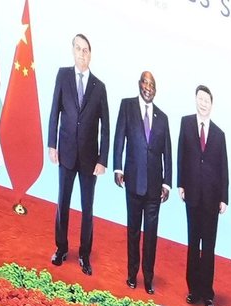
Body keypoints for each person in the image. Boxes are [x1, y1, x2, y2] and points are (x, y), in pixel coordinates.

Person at [46, 33, 109, 275]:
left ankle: (84, 254)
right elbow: (55, 111)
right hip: (66, 152)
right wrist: (52, 144)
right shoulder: (63, 75)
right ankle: (61, 248)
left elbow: (106, 127)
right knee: (62, 202)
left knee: (87, 208)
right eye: (78, 49)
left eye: (86, 50)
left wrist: (103, 159)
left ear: (90, 55)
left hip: (89, 160)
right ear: (73, 51)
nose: (82, 54)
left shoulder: (99, 87)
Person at [111, 70, 172, 292]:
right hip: (133, 182)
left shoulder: (163, 118)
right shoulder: (127, 106)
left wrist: (167, 183)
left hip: (155, 189)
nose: (148, 88)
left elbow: (167, 151)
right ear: (139, 84)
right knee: (133, 232)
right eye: (145, 83)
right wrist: (117, 166)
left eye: (152, 86)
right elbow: (119, 137)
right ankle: (131, 274)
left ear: (156, 90)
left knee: (151, 236)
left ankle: (148, 278)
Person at [177, 86, 230, 306]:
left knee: (208, 247)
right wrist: (180, 183)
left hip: (211, 198)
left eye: (206, 100)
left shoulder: (219, 134)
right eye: (200, 99)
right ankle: (193, 290)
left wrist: (223, 198)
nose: (203, 103)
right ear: (195, 100)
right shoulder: (186, 123)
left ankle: (208, 293)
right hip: (191, 194)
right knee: (192, 244)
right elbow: (181, 154)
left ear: (211, 103)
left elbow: (223, 167)